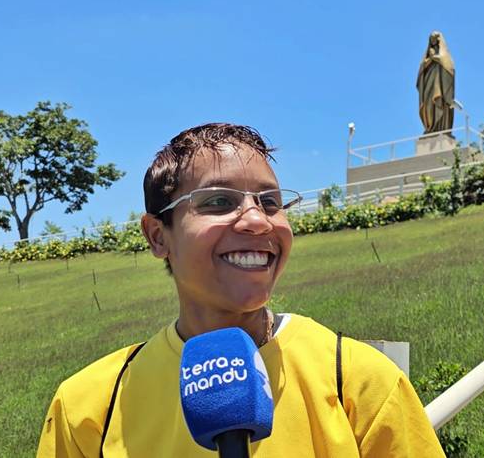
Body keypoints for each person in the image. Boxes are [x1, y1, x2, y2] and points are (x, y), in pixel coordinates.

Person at [36, 123, 445, 457]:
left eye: (270, 202)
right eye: (217, 201)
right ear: (158, 236)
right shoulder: (87, 408)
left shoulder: (361, 383)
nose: (257, 221)